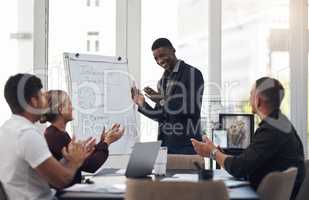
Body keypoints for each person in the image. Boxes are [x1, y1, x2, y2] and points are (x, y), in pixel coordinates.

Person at [191, 77, 305, 199]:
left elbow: (239, 168)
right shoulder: (281, 124)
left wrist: (213, 153)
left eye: (251, 94)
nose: (249, 98)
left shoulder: (271, 130)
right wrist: (219, 153)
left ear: (258, 100)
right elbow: (250, 159)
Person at [0, 73, 94, 200]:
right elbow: (62, 180)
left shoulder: (7, 129)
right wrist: (75, 161)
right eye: (43, 96)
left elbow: (43, 171)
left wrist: (68, 159)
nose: (46, 102)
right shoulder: (27, 135)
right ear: (34, 101)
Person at [132, 38, 204, 154]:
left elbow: (192, 110)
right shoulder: (161, 82)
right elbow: (160, 116)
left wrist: (162, 100)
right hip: (165, 147)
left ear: (173, 50)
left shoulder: (192, 73)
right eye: (156, 58)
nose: (160, 60)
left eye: (163, 55)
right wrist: (142, 103)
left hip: (187, 147)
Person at [41, 90, 124, 185]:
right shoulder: (55, 137)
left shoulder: (57, 133)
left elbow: (84, 160)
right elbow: (91, 165)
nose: (72, 108)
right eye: (69, 104)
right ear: (60, 109)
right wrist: (107, 141)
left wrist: (103, 141)